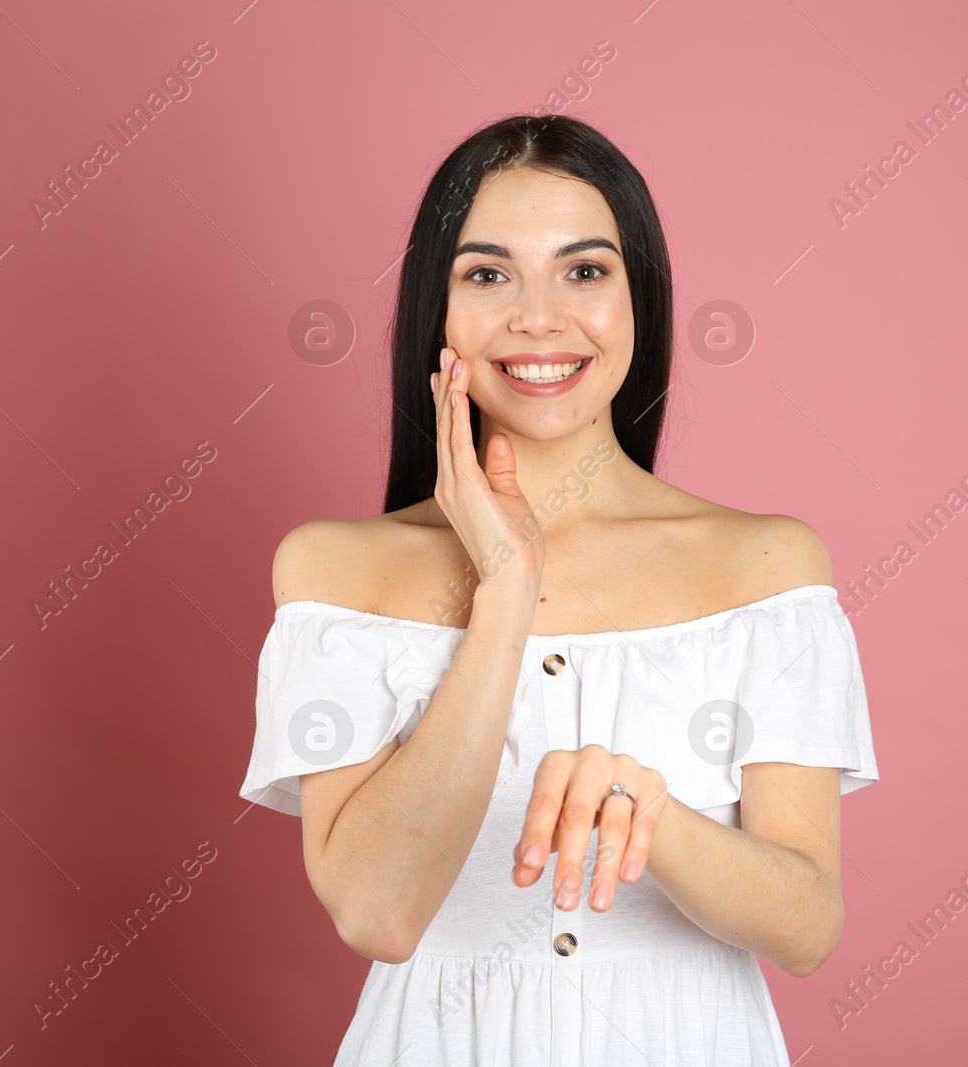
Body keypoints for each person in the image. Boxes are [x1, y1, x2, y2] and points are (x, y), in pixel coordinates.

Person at [239, 113, 880, 1066]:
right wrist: (505, 586)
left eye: (584, 270)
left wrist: (643, 811)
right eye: (487, 273)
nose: (538, 316)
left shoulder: (766, 565)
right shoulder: (336, 572)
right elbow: (379, 908)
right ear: (438, 311)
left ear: (639, 303)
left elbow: (806, 924)